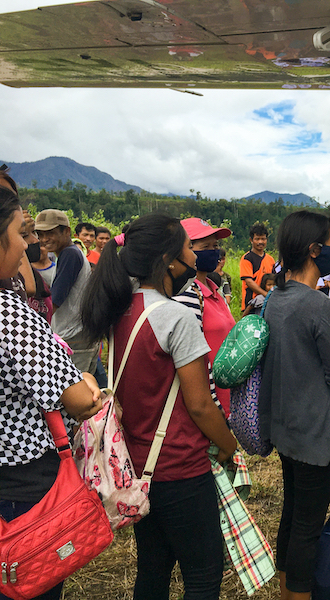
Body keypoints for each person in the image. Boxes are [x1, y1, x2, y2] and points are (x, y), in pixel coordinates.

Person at [81, 213, 237, 600]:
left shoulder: (121, 309)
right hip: (181, 469)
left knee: (153, 568)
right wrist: (229, 445)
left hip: (139, 469)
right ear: (170, 260)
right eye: (189, 248)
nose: (195, 258)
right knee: (203, 574)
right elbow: (200, 405)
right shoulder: (175, 317)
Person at [0, 187, 103, 600]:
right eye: (18, 233)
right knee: (30, 580)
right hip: (23, 487)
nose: (26, 245)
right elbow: (78, 399)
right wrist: (88, 383)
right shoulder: (9, 316)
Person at [258, 210, 330, 600]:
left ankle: (286, 591)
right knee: (308, 526)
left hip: (286, 431)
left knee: (293, 513)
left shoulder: (276, 299)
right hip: (317, 435)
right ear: (316, 249)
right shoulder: (319, 305)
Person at [177, 217, 237, 417]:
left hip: (226, 396)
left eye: (216, 245)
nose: (214, 252)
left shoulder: (214, 290)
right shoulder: (186, 295)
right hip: (206, 403)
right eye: (206, 246)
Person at [35, 209, 100, 374]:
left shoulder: (69, 254)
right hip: (79, 336)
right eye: (40, 234)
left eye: (50, 233)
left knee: (74, 394)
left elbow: (54, 302)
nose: (44, 239)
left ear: (67, 231)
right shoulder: (67, 253)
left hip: (74, 338)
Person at [240, 222, 275, 312]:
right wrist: (265, 294)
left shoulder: (270, 259)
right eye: (257, 239)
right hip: (251, 303)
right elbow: (249, 281)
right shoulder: (247, 258)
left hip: (268, 303)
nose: (260, 242)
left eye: (263, 239)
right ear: (251, 240)